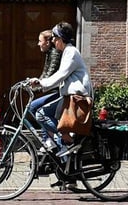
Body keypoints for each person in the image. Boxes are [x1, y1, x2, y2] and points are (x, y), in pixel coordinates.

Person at [27, 21, 92, 158]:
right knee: (44, 113)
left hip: (76, 98)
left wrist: (41, 83)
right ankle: (64, 142)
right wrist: (40, 83)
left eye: (55, 39)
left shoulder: (71, 52)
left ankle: (68, 140)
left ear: (61, 39)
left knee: (41, 114)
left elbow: (61, 75)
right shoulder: (67, 52)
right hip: (69, 96)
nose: (53, 42)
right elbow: (60, 76)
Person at [26, 30, 62, 129]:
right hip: (53, 90)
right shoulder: (49, 53)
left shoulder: (55, 53)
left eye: (40, 41)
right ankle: (48, 137)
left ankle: (59, 137)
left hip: (58, 91)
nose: (38, 44)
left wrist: (36, 88)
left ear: (47, 42)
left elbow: (50, 74)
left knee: (33, 108)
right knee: (38, 111)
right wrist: (34, 85)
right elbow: (44, 74)